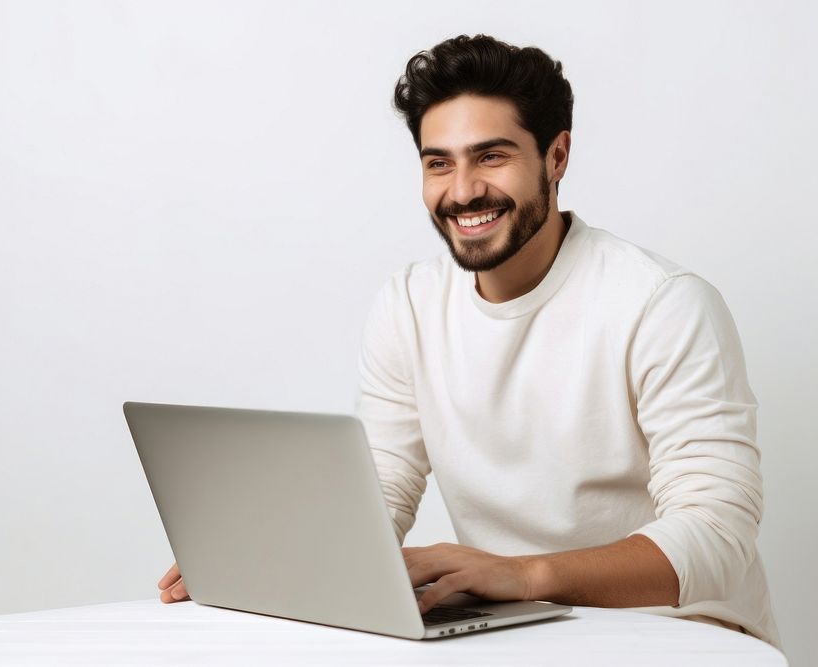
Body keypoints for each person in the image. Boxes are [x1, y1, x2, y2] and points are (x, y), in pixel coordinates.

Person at [159, 34, 781, 649]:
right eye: (439, 163)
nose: (461, 192)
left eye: (491, 156)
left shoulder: (661, 303)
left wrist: (524, 574)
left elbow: (717, 536)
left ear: (556, 156)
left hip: (681, 635)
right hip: (511, 633)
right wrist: (269, 557)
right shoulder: (409, 304)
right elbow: (380, 484)